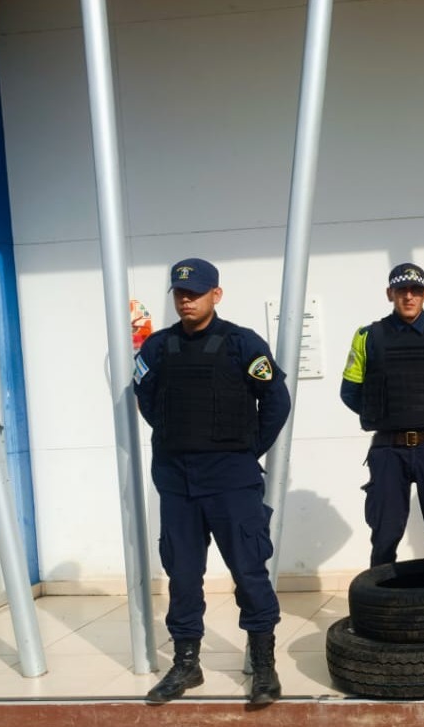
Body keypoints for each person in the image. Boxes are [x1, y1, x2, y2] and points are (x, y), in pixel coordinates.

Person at [133, 257, 291, 705]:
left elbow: (276, 402)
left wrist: (245, 450)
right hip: (177, 483)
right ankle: (187, 666)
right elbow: (147, 402)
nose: (186, 300)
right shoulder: (156, 349)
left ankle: (264, 667)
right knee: (182, 576)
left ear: (215, 295)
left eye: (195, 293)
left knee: (248, 572)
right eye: (180, 293)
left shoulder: (243, 344)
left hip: (231, 481)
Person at [340, 263, 424, 566]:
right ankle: (381, 607)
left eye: (415, 291)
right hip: (389, 449)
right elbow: (349, 392)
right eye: (401, 290)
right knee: (385, 534)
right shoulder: (367, 337)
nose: (408, 297)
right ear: (390, 293)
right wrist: (381, 414)